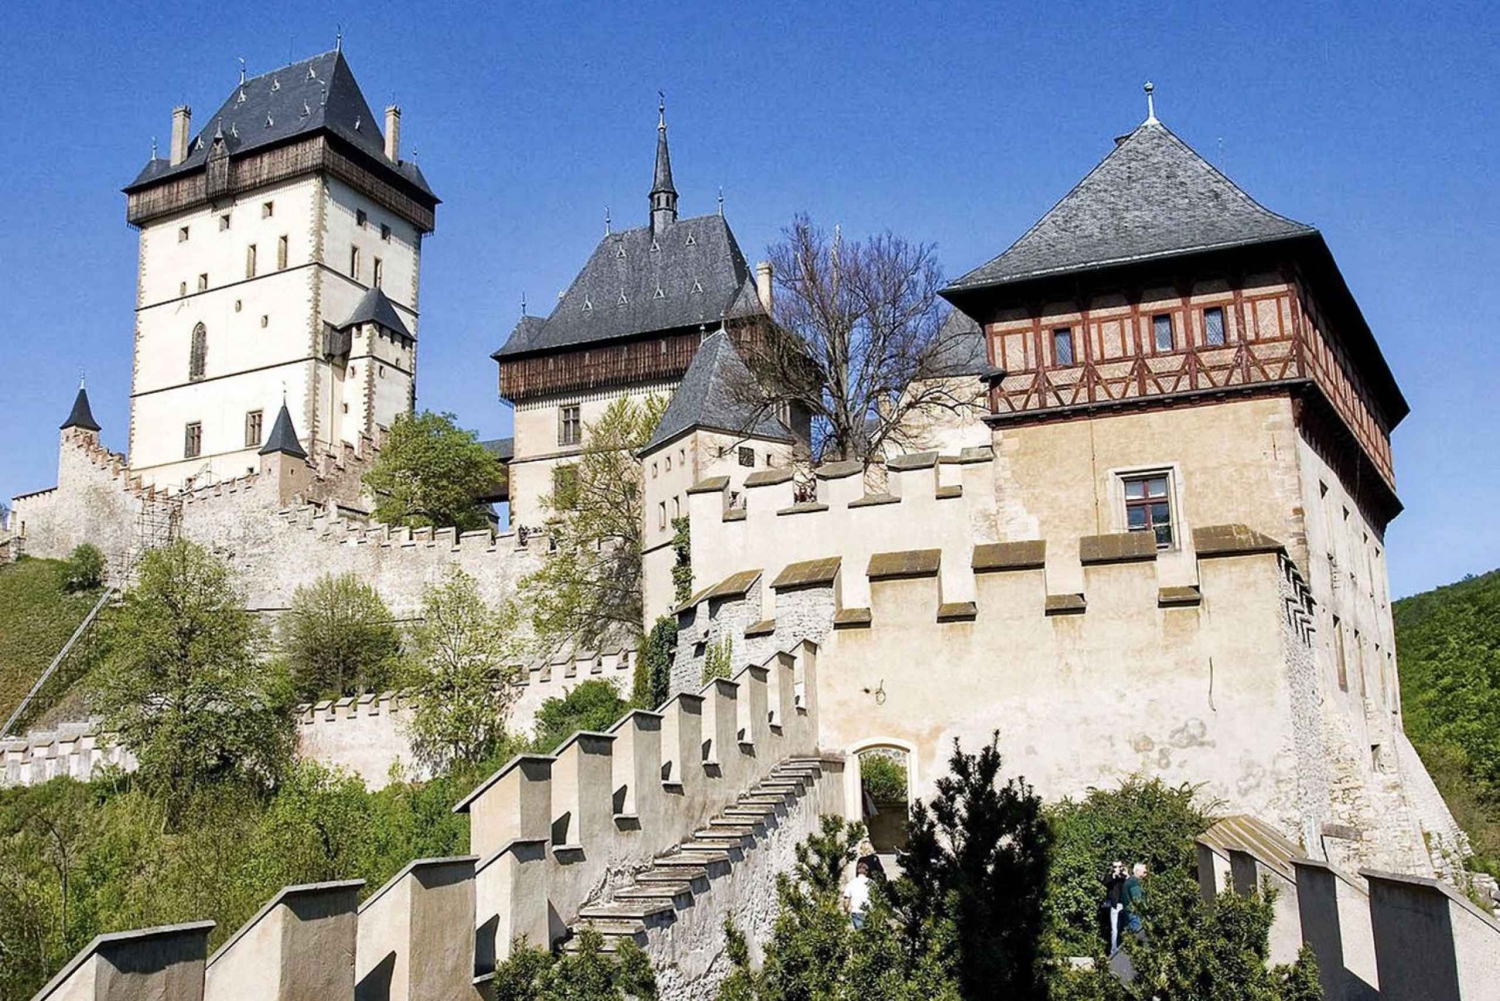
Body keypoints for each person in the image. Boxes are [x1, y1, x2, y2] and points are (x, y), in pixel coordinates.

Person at [1102, 861, 1127, 955]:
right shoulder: (1109, 877)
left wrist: (1126, 875)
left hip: (1124, 904)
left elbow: (1129, 884)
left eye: (1120, 866)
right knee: (1114, 928)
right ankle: (1114, 948)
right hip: (1115, 905)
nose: (1118, 868)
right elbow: (1106, 883)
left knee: (1125, 926)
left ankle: (1125, 946)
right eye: (1115, 866)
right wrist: (1114, 875)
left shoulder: (1124, 877)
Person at [1122, 862, 1148, 938]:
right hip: (1134, 914)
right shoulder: (1134, 883)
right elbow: (1138, 900)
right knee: (1141, 937)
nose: (1146, 873)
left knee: (1131, 937)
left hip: (1127, 912)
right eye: (1144, 871)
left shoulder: (1129, 881)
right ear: (1137, 871)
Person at [844, 859, 872, 930]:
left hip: (856, 911)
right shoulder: (871, 883)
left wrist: (846, 910)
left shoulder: (852, 883)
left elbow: (846, 898)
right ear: (867, 872)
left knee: (860, 932)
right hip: (869, 911)